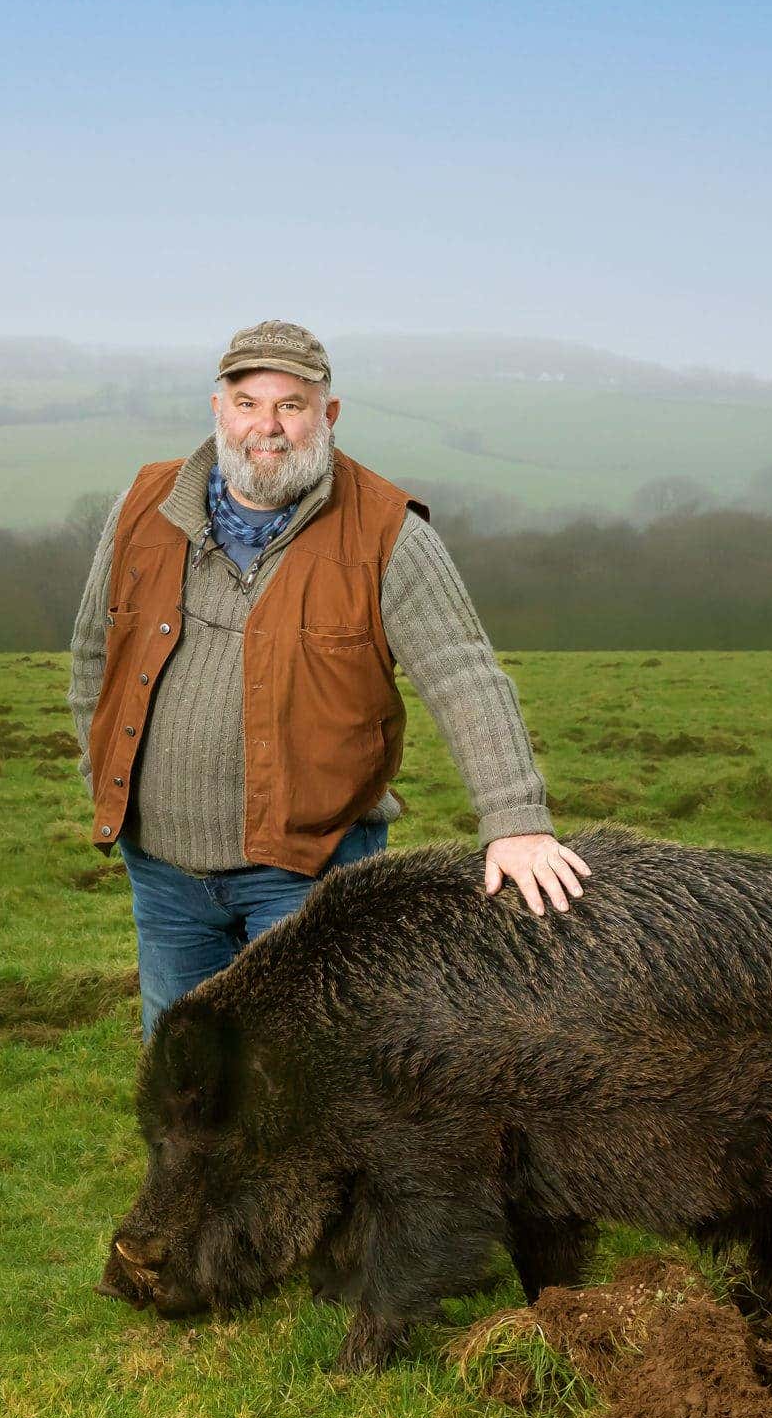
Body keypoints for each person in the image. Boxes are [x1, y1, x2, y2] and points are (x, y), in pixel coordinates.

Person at [68, 320, 589, 1039]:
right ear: (217, 408)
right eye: (248, 403)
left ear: (328, 415)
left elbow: (465, 676)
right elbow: (96, 649)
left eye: (292, 404)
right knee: (186, 1076)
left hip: (310, 873)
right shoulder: (145, 504)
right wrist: (113, 775)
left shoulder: (387, 533)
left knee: (309, 1080)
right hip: (163, 870)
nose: (268, 427)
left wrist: (516, 822)